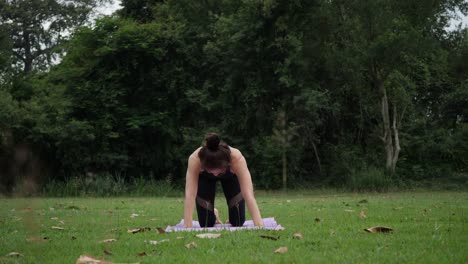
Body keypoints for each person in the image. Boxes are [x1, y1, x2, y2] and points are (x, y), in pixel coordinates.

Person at [183, 133, 264, 228]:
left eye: (219, 171)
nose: (215, 174)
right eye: (211, 171)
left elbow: (248, 193)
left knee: (237, 221)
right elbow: (190, 194)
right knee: (206, 223)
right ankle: (213, 212)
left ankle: (233, 215)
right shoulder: (195, 159)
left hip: (230, 177)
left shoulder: (236, 158)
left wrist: (259, 224)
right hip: (205, 178)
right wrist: (187, 226)